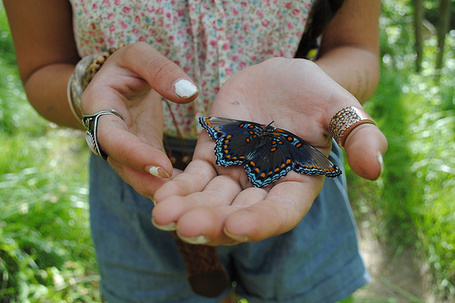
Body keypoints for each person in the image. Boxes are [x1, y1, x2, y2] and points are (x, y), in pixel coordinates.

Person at [5, 0, 387, 302]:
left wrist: (326, 103)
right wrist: (91, 84)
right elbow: (42, 67)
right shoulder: (248, 135)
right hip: (136, 167)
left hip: (294, 171)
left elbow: (358, 48)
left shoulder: (242, 133)